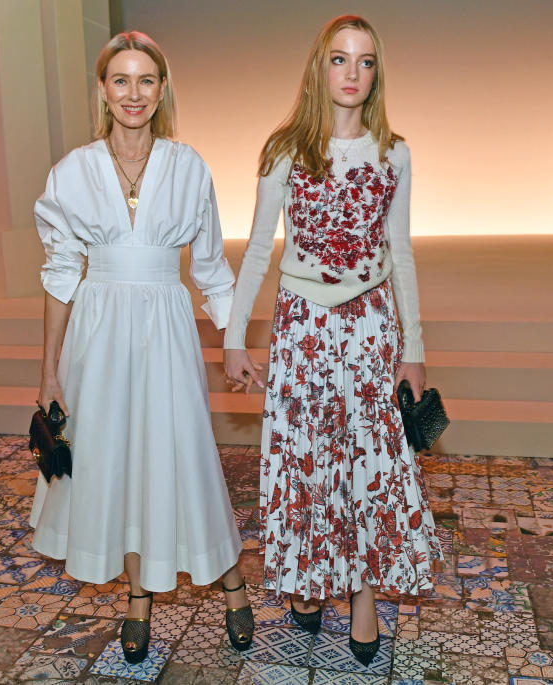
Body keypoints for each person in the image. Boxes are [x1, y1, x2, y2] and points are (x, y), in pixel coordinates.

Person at [223, 15, 444, 666]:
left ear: (378, 74)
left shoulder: (394, 152)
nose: (353, 73)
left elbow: (400, 251)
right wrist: (235, 337)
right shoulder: (284, 150)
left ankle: (363, 593)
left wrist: (415, 346)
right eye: (341, 60)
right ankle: (311, 575)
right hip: (303, 329)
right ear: (320, 68)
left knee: (370, 465)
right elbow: (260, 247)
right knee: (308, 461)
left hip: (372, 325)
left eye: (366, 62)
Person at [29, 31, 253, 664]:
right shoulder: (71, 171)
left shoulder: (188, 165)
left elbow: (210, 269)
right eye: (121, 80)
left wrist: (234, 343)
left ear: (162, 90)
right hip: (96, 333)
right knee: (112, 460)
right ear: (103, 89)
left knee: (184, 454)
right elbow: (59, 275)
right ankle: (137, 598)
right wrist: (48, 368)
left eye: (146, 80)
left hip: (165, 328)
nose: (134, 93)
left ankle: (231, 581)